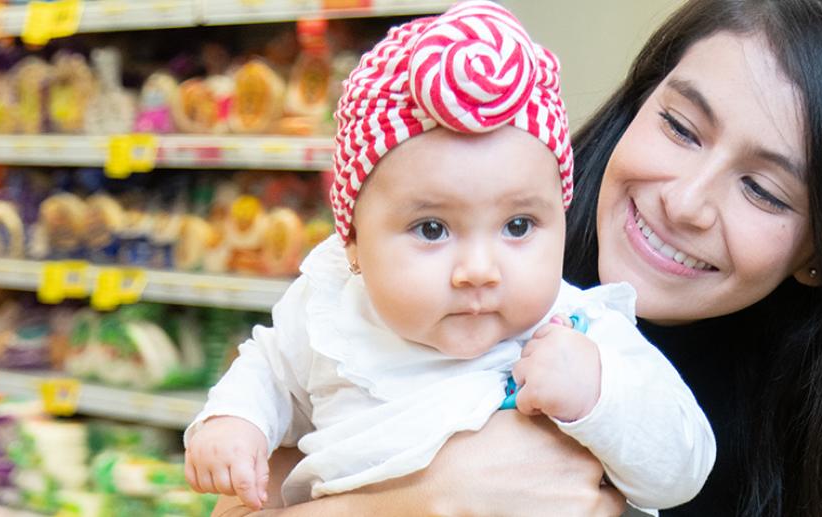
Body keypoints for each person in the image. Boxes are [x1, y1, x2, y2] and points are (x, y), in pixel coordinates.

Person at [207, 0, 822, 516]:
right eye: (680, 126)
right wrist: (434, 501)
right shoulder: (380, 301)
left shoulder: (593, 335)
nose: (686, 201)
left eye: (765, 190)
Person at [183, 1, 714, 514]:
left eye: (518, 226)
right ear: (353, 246)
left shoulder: (577, 332)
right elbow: (268, 370)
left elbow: (685, 467)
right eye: (432, 229)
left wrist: (601, 395)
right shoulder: (332, 317)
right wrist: (236, 421)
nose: (479, 270)